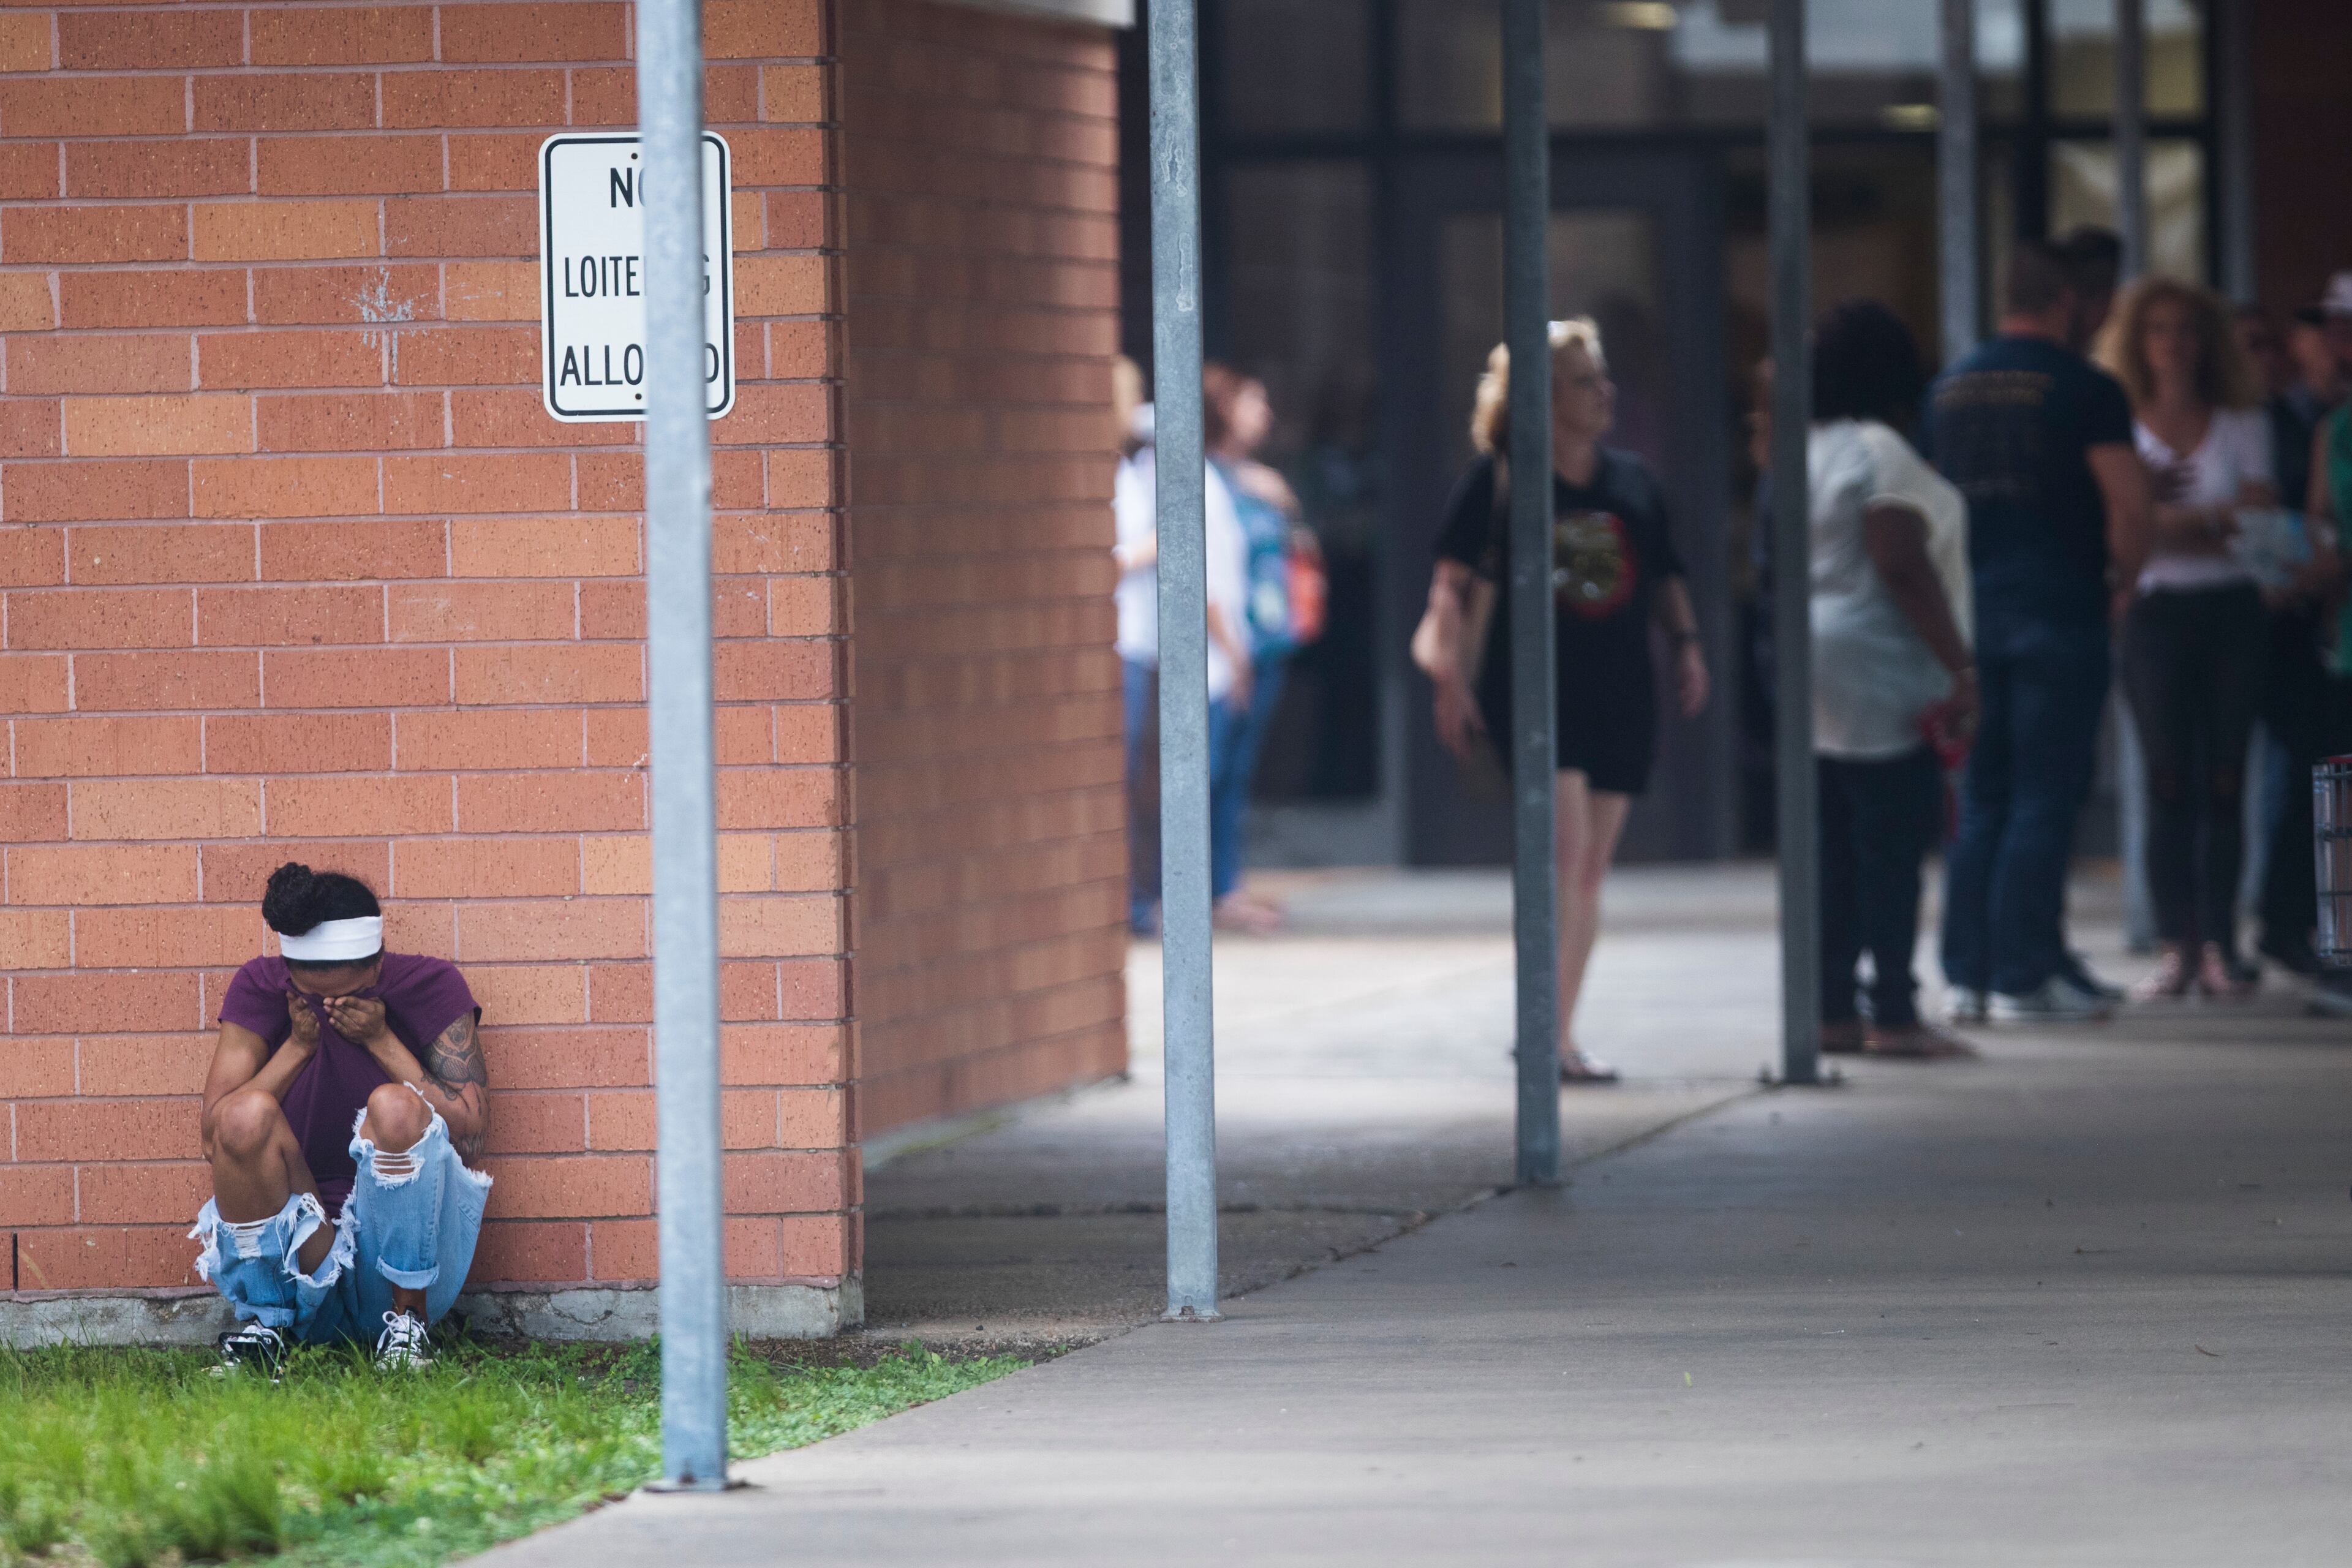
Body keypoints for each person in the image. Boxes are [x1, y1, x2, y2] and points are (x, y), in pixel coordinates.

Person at [1422, 318, 1709, 1082]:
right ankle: (1542, 1032)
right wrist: (1450, 676)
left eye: (1603, 377)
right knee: (1565, 857)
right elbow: (1448, 586)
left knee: (1588, 874)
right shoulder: (1501, 478)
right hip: (1535, 694)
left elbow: (1665, 575)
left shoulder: (1633, 481)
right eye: (1585, 381)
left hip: (1620, 689)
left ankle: (1559, 1032)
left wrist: (1687, 646)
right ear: (1542, 396)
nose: (1603, 392)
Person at [1926, 241, 2152, 1024]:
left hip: (1971, 616)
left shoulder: (1949, 388)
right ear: (2065, 303)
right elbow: (2128, 504)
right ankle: (2026, 971)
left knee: (1982, 796)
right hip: (2058, 608)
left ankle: (1970, 972)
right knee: (2045, 796)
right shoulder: (2085, 387)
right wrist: (2123, 581)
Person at [195, 863, 491, 1377]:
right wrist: (298, 1046)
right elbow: (215, 1134)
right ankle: (268, 1324)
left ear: (378, 964)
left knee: (394, 1105)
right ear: (290, 974)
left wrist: (380, 1040)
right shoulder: (259, 986)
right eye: (312, 995)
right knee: (244, 1116)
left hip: (402, 1254)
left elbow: (470, 1132)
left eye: (346, 994)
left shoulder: (430, 982)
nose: (328, 1005)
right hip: (302, 1254)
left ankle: (409, 1326)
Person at [1807, 303, 1979, 1058]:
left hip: (1811, 663)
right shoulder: (1882, 450)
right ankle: (1897, 1013)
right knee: (1891, 845)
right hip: (1879, 664)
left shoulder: (1808, 444)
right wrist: (1961, 664)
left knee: (1834, 847)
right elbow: (1900, 560)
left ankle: (1832, 1007)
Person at [2097, 278, 2275, 999]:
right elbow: (2118, 525)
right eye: (2159, 329)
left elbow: (2258, 518)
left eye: (2187, 329)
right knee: (2167, 779)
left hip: (2233, 612)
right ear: (2138, 342)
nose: (2174, 343)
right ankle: (2177, 942)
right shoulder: (2121, 422)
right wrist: (2208, 518)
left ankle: (2223, 946)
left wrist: (2162, 516)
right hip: (2156, 613)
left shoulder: (2241, 419)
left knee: (2227, 779)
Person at [1203, 363, 1314, 934]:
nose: (1264, 415)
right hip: (1224, 655)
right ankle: (1212, 890)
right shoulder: (1203, 481)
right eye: (1253, 402)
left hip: (1265, 645)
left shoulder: (1259, 480)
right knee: (1211, 770)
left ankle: (1229, 887)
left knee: (1238, 773)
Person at [1114, 357, 1161, 935]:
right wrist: (1149, 550)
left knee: (1141, 773)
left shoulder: (1134, 465)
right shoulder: (1103, 471)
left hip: (1142, 639)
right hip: (1118, 639)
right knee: (1120, 774)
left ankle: (1137, 894)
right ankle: (1126, 899)